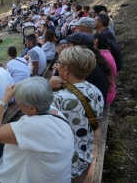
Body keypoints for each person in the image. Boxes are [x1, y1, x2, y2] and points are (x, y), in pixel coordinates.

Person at [0, 77, 74, 183]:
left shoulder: (33, 126)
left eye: (19, 103)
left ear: (31, 108)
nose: (17, 104)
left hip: (38, 177)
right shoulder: (52, 111)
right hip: (53, 173)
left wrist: (4, 100)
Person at [49, 46, 104, 178]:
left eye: (58, 62)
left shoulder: (58, 99)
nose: (56, 65)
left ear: (66, 69)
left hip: (66, 164)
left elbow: (43, 129)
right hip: (85, 153)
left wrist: (47, 87)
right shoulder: (95, 90)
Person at [94, 33, 117, 106]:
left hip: (104, 95)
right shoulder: (106, 52)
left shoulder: (100, 56)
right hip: (110, 90)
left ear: (95, 41)